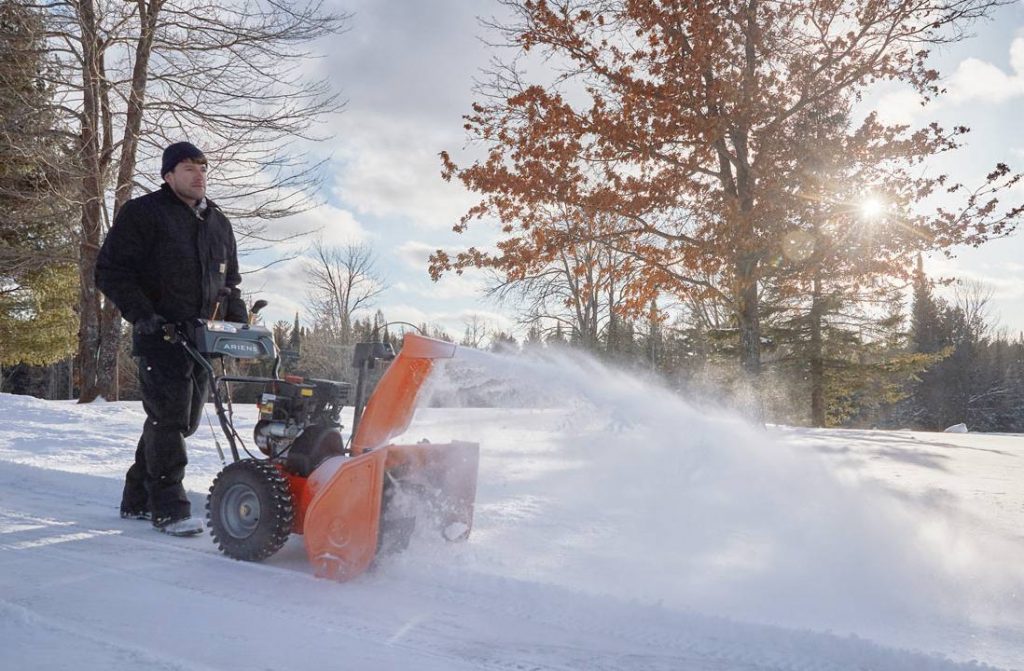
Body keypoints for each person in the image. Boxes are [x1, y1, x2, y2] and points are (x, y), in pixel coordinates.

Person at [95, 141, 247, 536]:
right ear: (168, 175)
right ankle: (169, 508)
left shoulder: (217, 221)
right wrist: (143, 315)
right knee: (169, 418)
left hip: (202, 339)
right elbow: (111, 271)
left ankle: (136, 497)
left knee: (182, 422)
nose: (198, 174)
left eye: (202, 167)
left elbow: (229, 282)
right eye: (187, 167)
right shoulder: (144, 214)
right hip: (160, 335)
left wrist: (238, 323)